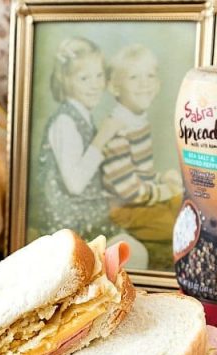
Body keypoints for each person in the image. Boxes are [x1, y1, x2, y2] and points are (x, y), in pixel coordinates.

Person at [29, 36, 124, 241]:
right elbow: (75, 184)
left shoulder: (83, 117)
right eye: (84, 78)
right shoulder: (65, 121)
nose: (95, 85)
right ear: (66, 80)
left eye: (99, 75)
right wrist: (102, 137)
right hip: (69, 226)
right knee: (134, 251)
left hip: (88, 216)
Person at [99, 44, 182, 266]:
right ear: (115, 88)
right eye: (134, 77)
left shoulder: (137, 121)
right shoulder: (117, 130)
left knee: (184, 205)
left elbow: (141, 173)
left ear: (158, 83)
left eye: (150, 75)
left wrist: (162, 179)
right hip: (125, 210)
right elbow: (129, 191)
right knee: (178, 227)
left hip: (142, 199)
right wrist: (165, 190)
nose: (145, 83)